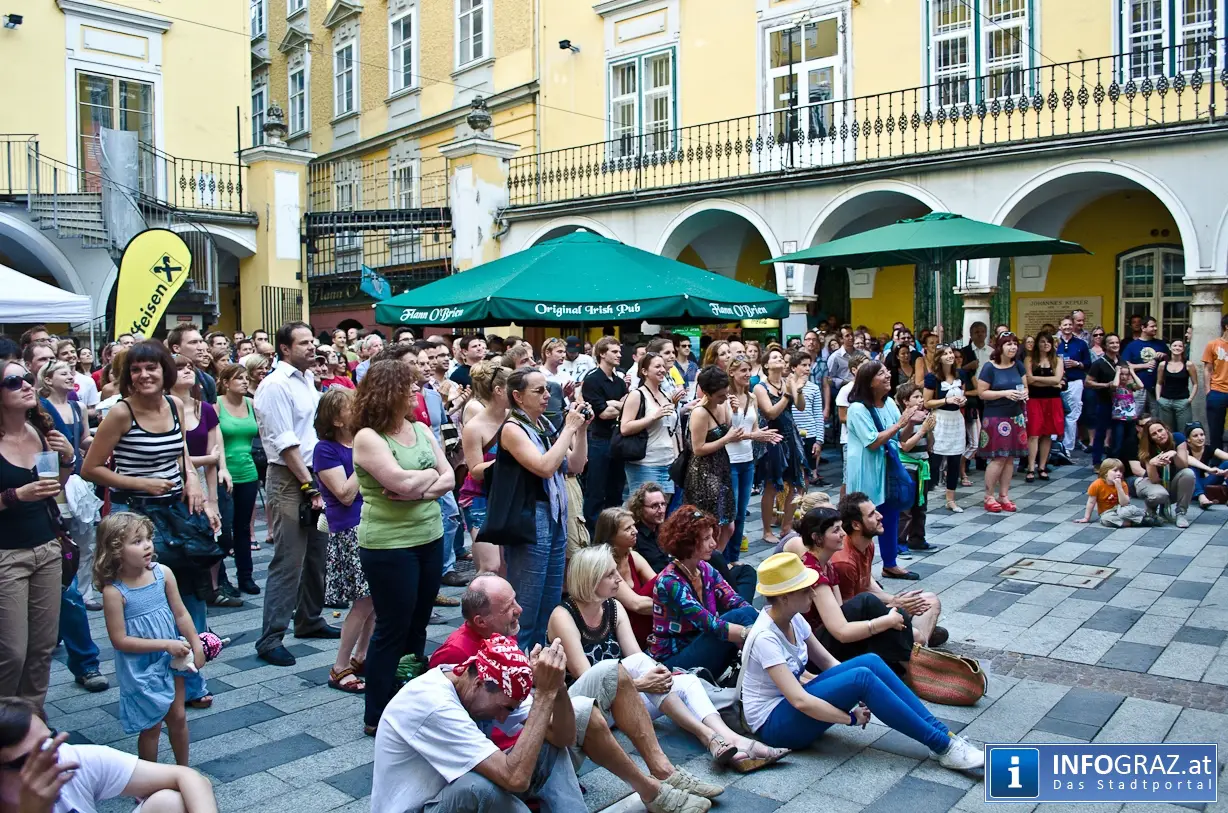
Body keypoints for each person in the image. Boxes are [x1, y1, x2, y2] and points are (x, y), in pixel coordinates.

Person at [425, 576, 720, 813]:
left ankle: (663, 770)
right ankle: (652, 791)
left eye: (516, 600)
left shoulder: (501, 636)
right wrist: (540, 695)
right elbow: (471, 732)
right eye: (508, 608)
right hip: (513, 751)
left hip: (533, 719)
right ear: (480, 621)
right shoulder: (453, 654)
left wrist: (537, 680)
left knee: (611, 671)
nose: (520, 610)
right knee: (585, 711)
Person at [550, 545, 787, 773]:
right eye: (610, 574)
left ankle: (728, 740)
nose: (619, 579)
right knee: (643, 667)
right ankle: (711, 738)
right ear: (591, 579)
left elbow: (635, 657)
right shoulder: (564, 616)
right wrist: (643, 683)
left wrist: (660, 676)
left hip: (619, 700)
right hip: (584, 711)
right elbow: (585, 680)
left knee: (686, 681)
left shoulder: (613, 607)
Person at [737, 552, 983, 770]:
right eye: (805, 589)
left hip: (791, 706)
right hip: (774, 726)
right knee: (862, 677)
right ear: (783, 598)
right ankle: (943, 746)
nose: (813, 592)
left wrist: (854, 690)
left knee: (870, 662)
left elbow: (828, 662)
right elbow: (800, 701)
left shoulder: (794, 618)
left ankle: (943, 736)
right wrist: (850, 717)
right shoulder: (765, 637)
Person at [80, 342, 214, 710]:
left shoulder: (175, 404)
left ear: (165, 371)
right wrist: (142, 483)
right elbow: (90, 468)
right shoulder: (121, 413)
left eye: (151, 368)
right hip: (137, 516)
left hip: (176, 511)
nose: (144, 375)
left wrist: (192, 481)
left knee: (190, 591)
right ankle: (158, 679)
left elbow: (181, 451)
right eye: (136, 370)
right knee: (150, 600)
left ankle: (194, 672)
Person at [373, 635, 591, 813]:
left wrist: (557, 686)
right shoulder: (434, 703)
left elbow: (563, 738)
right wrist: (544, 694)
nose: (502, 719)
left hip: (445, 796)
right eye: (504, 708)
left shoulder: (481, 679)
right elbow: (515, 779)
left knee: (547, 745)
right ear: (479, 684)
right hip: (415, 808)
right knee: (479, 789)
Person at [353, 360, 453, 735]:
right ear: (389, 392)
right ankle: (376, 714)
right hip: (389, 545)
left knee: (418, 624)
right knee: (392, 627)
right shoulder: (367, 437)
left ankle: (410, 697)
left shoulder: (422, 428)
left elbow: (448, 477)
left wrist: (421, 482)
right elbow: (401, 483)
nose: (418, 392)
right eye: (411, 386)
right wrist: (427, 482)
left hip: (429, 535)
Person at [251, 322, 337, 667]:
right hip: (291, 478)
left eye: (313, 341)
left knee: (318, 554)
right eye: (304, 343)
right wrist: (308, 485)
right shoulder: (274, 385)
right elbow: (284, 442)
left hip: (314, 474)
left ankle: (309, 620)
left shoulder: (308, 380)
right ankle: (270, 637)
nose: (312, 347)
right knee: (289, 560)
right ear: (285, 349)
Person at [94, 512, 201, 765]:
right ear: (116, 550)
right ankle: (149, 781)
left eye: (148, 538)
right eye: (137, 541)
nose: (147, 545)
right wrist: (166, 644)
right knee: (151, 726)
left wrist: (196, 643)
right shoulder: (113, 592)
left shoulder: (163, 573)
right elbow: (119, 640)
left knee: (178, 716)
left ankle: (183, 771)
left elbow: (181, 613)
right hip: (141, 667)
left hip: (172, 659)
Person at [0, 360, 74, 709]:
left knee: (43, 647)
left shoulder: (38, 431)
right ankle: (6, 729)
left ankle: (32, 719)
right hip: (6, 555)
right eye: (14, 381)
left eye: (28, 377)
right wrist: (16, 496)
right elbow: (27, 493)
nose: (28, 384)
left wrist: (68, 460)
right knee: (11, 651)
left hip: (46, 547)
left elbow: (53, 490)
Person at [0, 696, 219, 813]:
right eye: (27, 761)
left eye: (50, 742)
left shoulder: (66, 760)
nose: (48, 761)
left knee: (170, 803)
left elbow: (189, 777)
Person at [500, 368, 590, 651]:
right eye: (538, 391)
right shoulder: (513, 428)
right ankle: (518, 663)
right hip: (531, 517)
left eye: (547, 390)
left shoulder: (544, 427)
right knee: (526, 602)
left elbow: (575, 465)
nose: (546, 396)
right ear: (518, 396)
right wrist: (569, 428)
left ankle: (539, 662)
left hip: (555, 514)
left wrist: (582, 429)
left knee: (550, 602)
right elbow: (544, 467)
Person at [781, 507, 918, 674]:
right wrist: (885, 622)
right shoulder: (812, 571)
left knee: (896, 615)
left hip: (827, 641)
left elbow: (841, 610)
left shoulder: (827, 565)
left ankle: (908, 665)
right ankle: (911, 668)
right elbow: (841, 631)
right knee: (868, 603)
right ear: (817, 538)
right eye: (836, 530)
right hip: (815, 653)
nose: (843, 535)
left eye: (842, 528)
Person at [649, 507, 757, 679]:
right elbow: (710, 624)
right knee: (737, 618)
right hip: (674, 662)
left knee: (743, 611)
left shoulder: (704, 568)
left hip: (701, 645)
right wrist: (749, 633)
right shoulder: (669, 582)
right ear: (688, 543)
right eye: (706, 538)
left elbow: (734, 599)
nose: (714, 544)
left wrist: (758, 620)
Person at [312, 388, 371, 695]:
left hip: (370, 525)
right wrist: (365, 456)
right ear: (335, 418)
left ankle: (361, 655)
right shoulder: (325, 449)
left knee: (373, 599)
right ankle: (339, 665)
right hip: (349, 529)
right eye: (351, 407)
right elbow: (345, 494)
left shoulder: (357, 442)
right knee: (363, 602)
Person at [832, 494, 944, 647]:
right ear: (856, 525)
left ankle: (914, 644)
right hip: (860, 625)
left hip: (872, 609)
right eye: (871, 514)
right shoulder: (844, 562)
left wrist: (895, 600)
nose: (880, 516)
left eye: (876, 510)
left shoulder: (868, 544)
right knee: (918, 636)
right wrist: (893, 608)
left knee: (930, 600)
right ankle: (917, 645)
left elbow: (867, 583)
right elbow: (848, 614)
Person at [169, 355, 234, 607]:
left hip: (203, 483)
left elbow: (213, 460)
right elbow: (176, 458)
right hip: (176, 482)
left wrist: (212, 499)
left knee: (215, 533)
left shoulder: (205, 408)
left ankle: (213, 588)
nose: (187, 371)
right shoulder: (166, 410)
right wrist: (208, 457)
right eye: (179, 368)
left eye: (189, 367)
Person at [844, 362, 916, 579]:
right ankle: (857, 568)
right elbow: (872, 442)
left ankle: (890, 563)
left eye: (887, 371)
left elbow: (900, 437)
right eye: (882, 373)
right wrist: (901, 423)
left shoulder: (890, 403)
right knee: (863, 520)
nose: (888, 375)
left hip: (887, 469)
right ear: (869, 381)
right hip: (867, 470)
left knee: (890, 514)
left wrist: (910, 422)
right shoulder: (857, 408)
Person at [725, 358, 780, 559]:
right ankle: (722, 557)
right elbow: (729, 432)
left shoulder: (751, 397)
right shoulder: (725, 397)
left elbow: (754, 428)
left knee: (741, 512)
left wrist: (765, 435)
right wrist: (754, 435)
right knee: (729, 514)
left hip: (747, 460)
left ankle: (734, 557)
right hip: (729, 460)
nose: (748, 374)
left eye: (749, 370)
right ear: (731, 372)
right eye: (743, 371)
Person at [753, 345, 807, 545]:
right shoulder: (760, 387)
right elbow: (771, 413)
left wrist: (797, 391)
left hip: (790, 435)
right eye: (774, 357)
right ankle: (767, 530)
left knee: (795, 483)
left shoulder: (788, 381)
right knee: (771, 485)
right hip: (772, 437)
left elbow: (800, 407)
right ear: (766, 364)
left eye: (781, 358)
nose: (780, 360)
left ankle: (787, 527)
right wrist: (787, 395)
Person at [215, 364, 259, 596]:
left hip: (248, 472)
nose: (244, 382)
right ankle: (220, 578)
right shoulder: (216, 405)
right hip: (224, 474)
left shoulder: (251, 404)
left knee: (243, 528)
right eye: (238, 378)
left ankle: (246, 576)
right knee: (223, 529)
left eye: (246, 378)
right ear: (225, 382)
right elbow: (213, 439)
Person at [685, 366, 741, 547]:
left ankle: (716, 563)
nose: (725, 397)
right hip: (704, 472)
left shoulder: (722, 404)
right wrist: (726, 439)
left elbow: (730, 427)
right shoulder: (700, 413)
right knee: (711, 526)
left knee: (728, 525)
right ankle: (709, 564)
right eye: (720, 395)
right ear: (707, 393)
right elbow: (698, 448)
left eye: (726, 393)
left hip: (721, 467)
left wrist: (735, 411)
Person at [976, 332, 1028, 513]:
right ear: (1000, 347)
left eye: (1015, 343)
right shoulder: (989, 368)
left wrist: (1024, 394)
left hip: (1016, 415)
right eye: (1008, 344)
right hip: (996, 417)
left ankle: (1004, 495)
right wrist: (1004, 393)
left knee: (1010, 457)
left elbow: (1024, 386)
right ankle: (989, 495)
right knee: (998, 457)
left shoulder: (1018, 365)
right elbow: (982, 393)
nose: (1013, 347)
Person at [621, 353, 682, 500]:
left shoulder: (667, 395)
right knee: (643, 512)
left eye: (663, 366)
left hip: (667, 463)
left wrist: (677, 456)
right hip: (645, 464)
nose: (662, 369)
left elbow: (671, 430)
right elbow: (625, 428)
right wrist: (653, 417)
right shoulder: (637, 395)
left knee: (661, 513)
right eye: (657, 366)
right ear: (644, 371)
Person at [581, 337, 627, 527]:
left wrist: (614, 404)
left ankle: (613, 532)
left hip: (617, 440)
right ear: (602, 353)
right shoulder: (592, 379)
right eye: (614, 352)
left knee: (616, 490)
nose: (619, 355)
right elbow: (603, 414)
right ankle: (592, 535)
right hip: (599, 441)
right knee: (596, 491)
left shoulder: (619, 381)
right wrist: (619, 405)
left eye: (619, 351)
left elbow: (626, 407)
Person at [923, 345, 966, 513]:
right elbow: (927, 402)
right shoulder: (932, 378)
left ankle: (951, 499)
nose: (950, 356)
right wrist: (947, 401)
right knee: (935, 459)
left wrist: (962, 401)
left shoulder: (961, 374)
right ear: (939, 358)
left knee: (955, 460)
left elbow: (963, 394)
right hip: (940, 418)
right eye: (946, 354)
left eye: (951, 353)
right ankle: (924, 497)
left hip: (956, 419)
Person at [894, 383, 937, 553]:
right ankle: (899, 542)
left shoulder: (924, 417)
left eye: (921, 397)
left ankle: (917, 538)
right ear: (906, 401)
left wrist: (930, 429)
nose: (920, 400)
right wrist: (921, 430)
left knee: (921, 505)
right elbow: (905, 445)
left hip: (922, 464)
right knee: (906, 508)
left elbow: (930, 446)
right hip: (907, 466)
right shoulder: (904, 419)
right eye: (916, 397)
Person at [1024, 331, 1065, 483]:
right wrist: (1050, 381)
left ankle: (1042, 467)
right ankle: (1030, 467)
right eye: (1042, 341)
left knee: (1047, 434)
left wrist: (1036, 379)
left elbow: (1057, 379)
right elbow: (1028, 380)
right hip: (1035, 399)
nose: (1045, 344)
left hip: (1052, 400)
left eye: (1048, 342)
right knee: (1033, 434)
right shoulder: (1029, 359)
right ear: (1037, 344)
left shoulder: (1057, 360)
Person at [1137, 421, 1195, 527]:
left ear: (1166, 429)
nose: (1159, 435)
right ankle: (1151, 510)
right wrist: (1152, 464)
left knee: (1188, 473)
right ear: (1150, 438)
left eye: (1160, 430)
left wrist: (1174, 454)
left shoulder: (1178, 438)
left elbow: (1183, 466)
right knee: (1160, 495)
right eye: (1154, 434)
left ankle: (1181, 513)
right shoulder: (1147, 447)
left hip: (1172, 483)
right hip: (1152, 484)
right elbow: (1154, 480)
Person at [1087, 333, 1125, 466]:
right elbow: (1088, 382)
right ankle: (1097, 462)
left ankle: (1114, 460)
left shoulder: (1122, 361)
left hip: (1121, 404)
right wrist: (1105, 385)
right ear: (1105, 346)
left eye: (1117, 343)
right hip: (1104, 402)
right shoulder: (1098, 363)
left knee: (1118, 433)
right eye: (1111, 343)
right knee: (1101, 433)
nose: (1115, 345)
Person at [1076, 459, 1146, 527]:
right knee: (1105, 520)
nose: (1119, 473)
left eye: (1121, 471)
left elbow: (1124, 503)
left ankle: (1145, 516)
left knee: (1126, 512)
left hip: (1122, 508)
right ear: (1105, 472)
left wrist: (1119, 487)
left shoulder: (1123, 484)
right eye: (1115, 471)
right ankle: (1136, 522)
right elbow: (1091, 502)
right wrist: (1086, 518)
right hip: (1107, 512)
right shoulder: (1096, 484)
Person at [1056, 316, 1091, 454]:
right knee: (1056, 413)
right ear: (1060, 327)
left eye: (1070, 324)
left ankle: (1068, 446)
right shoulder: (1054, 343)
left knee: (1073, 414)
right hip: (1057, 382)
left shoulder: (1081, 344)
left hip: (1075, 381)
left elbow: (1088, 363)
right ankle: (1055, 445)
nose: (1068, 327)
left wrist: (1077, 364)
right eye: (1065, 325)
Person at [789, 352, 824, 484]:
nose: (807, 368)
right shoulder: (787, 386)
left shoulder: (814, 388)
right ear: (793, 367)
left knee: (806, 472)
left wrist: (819, 440)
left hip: (809, 433)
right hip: (791, 433)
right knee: (792, 471)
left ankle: (802, 501)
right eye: (803, 365)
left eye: (809, 365)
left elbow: (818, 415)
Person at [1122, 315, 1168, 417]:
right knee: (1135, 417)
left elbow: (1171, 363)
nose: (1155, 328)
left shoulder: (1161, 344)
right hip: (1138, 387)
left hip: (1156, 386)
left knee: (1156, 417)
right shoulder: (1132, 345)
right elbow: (1125, 365)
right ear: (1143, 328)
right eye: (1152, 326)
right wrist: (1144, 366)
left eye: (1156, 326)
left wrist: (1165, 356)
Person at [1156, 338, 1197, 435]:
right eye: (1174, 345)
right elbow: (1159, 383)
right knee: (1166, 431)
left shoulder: (1188, 365)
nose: (1177, 348)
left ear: (1183, 349)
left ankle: (1183, 450)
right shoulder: (1163, 365)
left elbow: (1195, 384)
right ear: (1170, 348)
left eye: (1180, 346)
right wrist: (1158, 398)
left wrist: (1190, 399)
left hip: (1182, 402)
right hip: (1165, 401)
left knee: (1184, 431)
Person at [1182, 422, 1228, 507]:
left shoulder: (1208, 448)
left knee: (1226, 464)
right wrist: (1209, 469)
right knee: (1191, 469)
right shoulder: (1184, 449)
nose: (1200, 438)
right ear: (1188, 439)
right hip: (1190, 487)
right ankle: (1201, 497)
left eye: (1202, 435)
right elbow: (1187, 459)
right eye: (1195, 436)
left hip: (1205, 483)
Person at [166, 328, 215, 405]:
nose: (200, 348)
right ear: (176, 348)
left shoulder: (207, 380)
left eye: (201, 341)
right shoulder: (162, 376)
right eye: (193, 342)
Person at [1202, 314, 1228, 456]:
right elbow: (1207, 369)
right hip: (1217, 391)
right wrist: (1208, 391)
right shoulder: (1213, 344)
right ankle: (1218, 462)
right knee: (1215, 431)